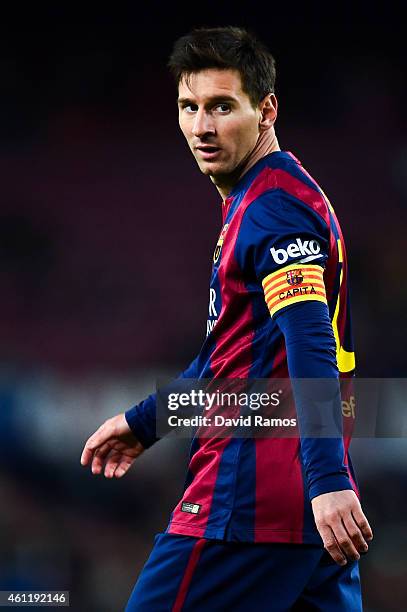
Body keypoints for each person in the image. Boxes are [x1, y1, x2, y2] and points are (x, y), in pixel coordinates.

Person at [80, 26, 373, 611]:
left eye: (221, 107)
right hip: (300, 508)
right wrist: (146, 422)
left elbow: (309, 343)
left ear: (266, 110)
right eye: (189, 107)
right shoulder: (271, 195)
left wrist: (328, 480)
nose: (201, 127)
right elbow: (238, 358)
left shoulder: (273, 211)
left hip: (248, 501)